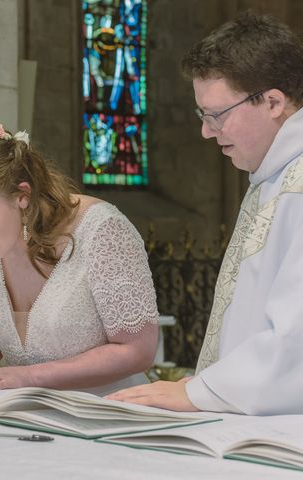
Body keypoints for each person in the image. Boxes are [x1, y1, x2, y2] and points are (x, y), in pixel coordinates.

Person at [107, 11, 303, 415]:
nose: (206, 131)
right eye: (203, 115)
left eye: (217, 114)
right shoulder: (274, 177)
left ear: (273, 102)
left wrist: (199, 394)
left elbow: (295, 335)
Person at [0, 119, 159, 393]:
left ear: (22, 196)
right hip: (23, 415)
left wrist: (29, 377)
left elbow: (138, 350)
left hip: (105, 413)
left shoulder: (102, 231)